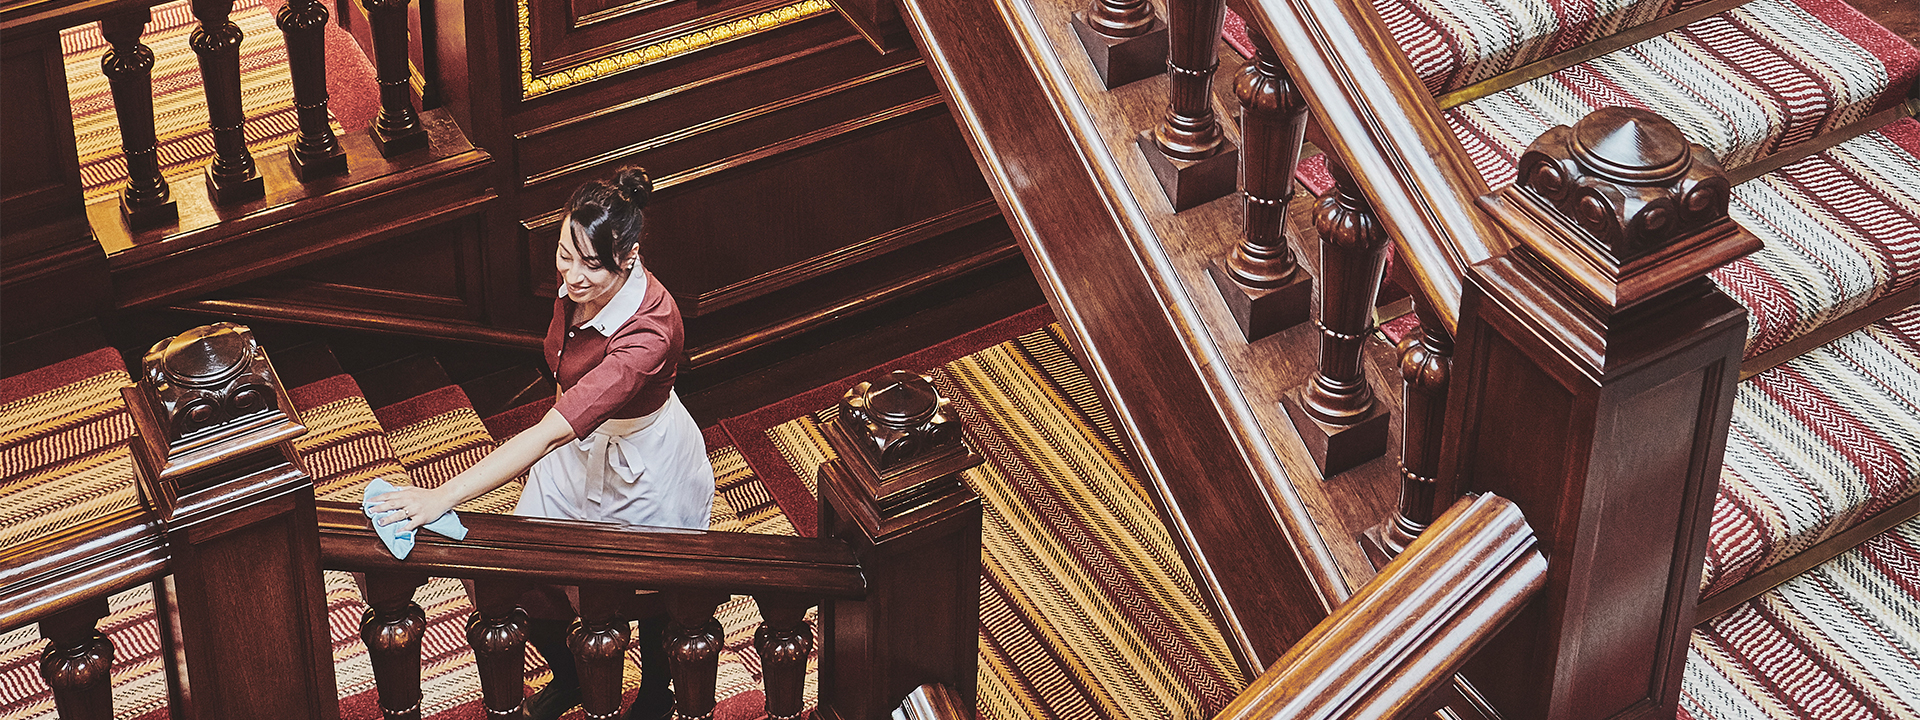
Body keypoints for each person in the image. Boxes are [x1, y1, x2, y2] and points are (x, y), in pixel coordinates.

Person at [371, 167, 714, 720]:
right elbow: (563, 383)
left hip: (643, 464)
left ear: (627, 257)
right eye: (563, 253)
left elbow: (547, 429)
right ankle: (573, 679)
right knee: (535, 572)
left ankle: (655, 697)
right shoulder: (578, 284)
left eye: (590, 264)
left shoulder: (651, 329)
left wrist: (441, 497)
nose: (571, 276)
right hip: (575, 451)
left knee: (648, 594)